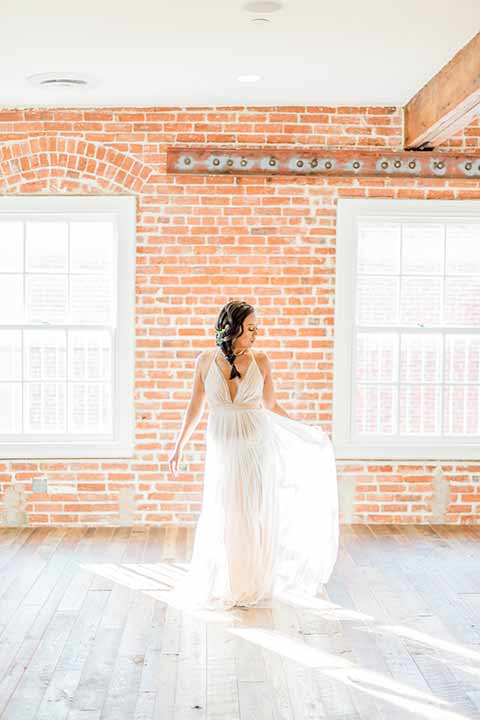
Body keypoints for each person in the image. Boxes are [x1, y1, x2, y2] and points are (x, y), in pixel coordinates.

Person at [167, 300, 339, 611]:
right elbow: (195, 406)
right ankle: (226, 580)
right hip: (222, 451)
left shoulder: (262, 360)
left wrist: (305, 431)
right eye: (250, 328)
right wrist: (178, 444)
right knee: (224, 512)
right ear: (232, 330)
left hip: (257, 449)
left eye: (256, 328)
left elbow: (271, 405)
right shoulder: (205, 361)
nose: (256, 333)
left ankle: (251, 582)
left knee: (253, 513)